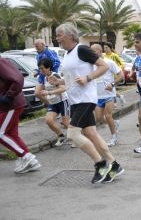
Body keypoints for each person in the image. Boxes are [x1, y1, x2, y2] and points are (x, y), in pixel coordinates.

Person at [51, 23, 124, 184]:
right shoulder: (67, 54)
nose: (57, 38)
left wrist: (88, 78)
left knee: (73, 135)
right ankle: (114, 164)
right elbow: (73, 78)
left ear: (70, 35)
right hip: (75, 100)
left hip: (86, 99)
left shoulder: (81, 49)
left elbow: (103, 66)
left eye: (59, 35)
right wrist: (59, 81)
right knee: (91, 134)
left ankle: (101, 164)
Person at [0, 56, 41, 174]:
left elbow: (18, 78)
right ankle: (31, 162)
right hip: (7, 105)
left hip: (10, 105)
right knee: (12, 135)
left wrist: (9, 96)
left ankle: (26, 156)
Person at [91, 44, 124, 147]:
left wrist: (112, 84)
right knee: (99, 118)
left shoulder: (109, 62)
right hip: (97, 96)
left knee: (108, 116)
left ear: (100, 51)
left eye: (93, 51)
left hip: (109, 94)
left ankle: (114, 138)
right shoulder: (91, 65)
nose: (91, 53)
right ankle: (115, 123)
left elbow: (121, 76)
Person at [38, 58, 70, 147]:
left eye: (42, 68)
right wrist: (45, 95)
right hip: (53, 103)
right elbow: (48, 90)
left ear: (48, 68)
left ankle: (77, 136)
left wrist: (49, 92)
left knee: (66, 123)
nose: (41, 70)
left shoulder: (55, 75)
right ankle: (61, 136)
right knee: (49, 120)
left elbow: (63, 89)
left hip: (62, 101)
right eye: (40, 68)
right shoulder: (45, 78)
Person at [34, 39, 61, 105]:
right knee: (37, 93)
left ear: (43, 44)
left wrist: (48, 72)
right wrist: (37, 72)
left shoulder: (49, 52)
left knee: (56, 96)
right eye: (35, 46)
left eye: (37, 46)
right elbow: (40, 66)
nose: (36, 48)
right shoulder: (38, 55)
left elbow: (57, 62)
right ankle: (51, 106)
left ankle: (54, 106)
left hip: (51, 78)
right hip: (42, 79)